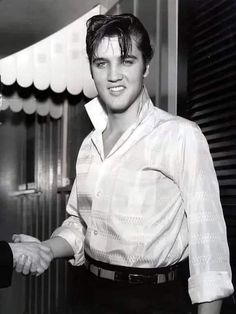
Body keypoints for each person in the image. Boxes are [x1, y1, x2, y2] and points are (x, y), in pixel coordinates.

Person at [14, 13, 234, 313]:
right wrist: (46, 249)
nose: (113, 75)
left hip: (155, 301)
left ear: (146, 66)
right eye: (101, 63)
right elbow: (80, 224)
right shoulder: (89, 146)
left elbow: (209, 250)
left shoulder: (181, 136)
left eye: (126, 60)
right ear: (91, 69)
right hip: (87, 295)